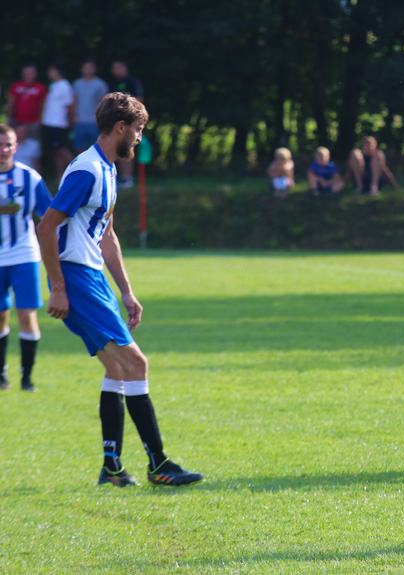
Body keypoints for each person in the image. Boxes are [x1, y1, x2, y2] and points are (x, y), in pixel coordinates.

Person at [36, 92, 203, 488]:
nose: (140, 139)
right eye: (139, 130)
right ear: (120, 127)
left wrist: (127, 291)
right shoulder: (87, 171)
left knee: (117, 368)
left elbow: (107, 235)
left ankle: (112, 467)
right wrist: (58, 287)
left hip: (91, 277)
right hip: (76, 278)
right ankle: (158, 464)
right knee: (137, 364)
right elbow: (46, 227)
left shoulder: (108, 170)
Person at [0, 124, 52, 392]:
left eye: (7, 145)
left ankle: (27, 377)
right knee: (0, 316)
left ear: (15, 147)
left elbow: (50, 216)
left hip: (24, 255)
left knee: (26, 315)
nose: (3, 150)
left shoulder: (30, 178)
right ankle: (1, 373)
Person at [107, 61, 144, 189]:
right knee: (116, 147)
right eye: (114, 67)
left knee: (127, 147)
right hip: (116, 121)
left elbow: (139, 100)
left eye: (119, 67)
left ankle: (128, 178)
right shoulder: (113, 84)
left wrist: (135, 118)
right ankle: (119, 177)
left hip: (130, 121)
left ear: (125, 68)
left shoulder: (132, 82)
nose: (116, 70)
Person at [41, 63, 75, 181]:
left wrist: (70, 121)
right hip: (50, 122)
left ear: (57, 71)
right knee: (56, 150)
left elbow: (69, 106)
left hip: (59, 123)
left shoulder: (64, 86)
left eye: (51, 70)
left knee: (61, 149)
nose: (49, 73)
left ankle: (78, 170)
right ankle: (60, 176)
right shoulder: (53, 85)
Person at [72, 60, 109, 153]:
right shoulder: (77, 84)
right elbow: (74, 101)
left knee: (98, 149)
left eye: (90, 67)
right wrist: (74, 117)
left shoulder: (100, 84)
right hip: (80, 121)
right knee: (79, 149)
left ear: (94, 69)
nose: (87, 70)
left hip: (94, 122)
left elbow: (103, 104)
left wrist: (100, 119)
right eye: (85, 67)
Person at [6, 64, 47, 134]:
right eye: (26, 73)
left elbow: (42, 105)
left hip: (33, 123)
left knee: (33, 143)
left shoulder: (40, 87)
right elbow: (11, 103)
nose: (28, 75)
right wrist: (9, 118)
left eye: (30, 73)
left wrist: (40, 121)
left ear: (35, 74)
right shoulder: (16, 86)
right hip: (17, 121)